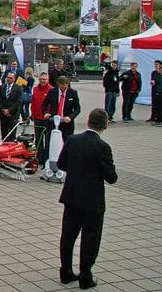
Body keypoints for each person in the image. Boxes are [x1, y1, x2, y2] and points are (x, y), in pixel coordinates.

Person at [57, 108, 117, 290]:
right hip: (92, 200)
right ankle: (85, 276)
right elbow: (111, 177)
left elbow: (61, 163)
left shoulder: (72, 140)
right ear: (104, 124)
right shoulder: (102, 147)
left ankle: (66, 272)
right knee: (90, 238)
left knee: (68, 236)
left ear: (89, 121)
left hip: (72, 196)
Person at [42, 76, 81, 144]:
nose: (63, 88)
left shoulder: (73, 93)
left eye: (65, 86)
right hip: (53, 122)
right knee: (52, 143)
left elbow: (77, 109)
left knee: (67, 144)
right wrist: (45, 113)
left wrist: (70, 117)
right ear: (58, 84)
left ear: (67, 84)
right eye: (61, 86)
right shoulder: (52, 92)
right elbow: (44, 104)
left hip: (67, 124)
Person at [30, 72, 54, 164]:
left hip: (47, 119)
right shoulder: (35, 89)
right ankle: (39, 158)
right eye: (41, 79)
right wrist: (32, 113)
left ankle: (46, 158)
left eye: (44, 79)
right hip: (37, 117)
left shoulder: (51, 90)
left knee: (47, 139)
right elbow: (33, 102)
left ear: (48, 80)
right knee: (38, 139)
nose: (42, 81)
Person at [0, 72, 23, 141]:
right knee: (4, 133)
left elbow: (19, 101)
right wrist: (3, 110)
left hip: (13, 114)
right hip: (3, 114)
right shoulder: (2, 87)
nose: (8, 79)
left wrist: (9, 110)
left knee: (12, 134)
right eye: (7, 77)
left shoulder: (18, 88)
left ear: (14, 79)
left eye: (10, 78)